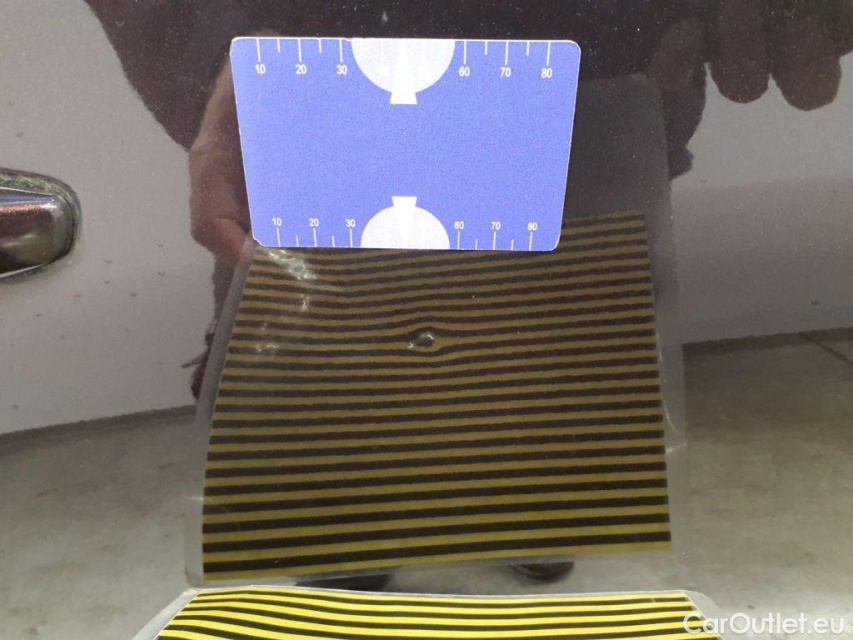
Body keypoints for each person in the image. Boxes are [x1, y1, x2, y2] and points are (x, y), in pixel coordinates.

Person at [85, 0, 852, 590]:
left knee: (541, 378)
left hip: (588, 81)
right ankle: (352, 508)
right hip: (330, 73)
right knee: (343, 397)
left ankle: (522, 492)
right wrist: (226, 46)